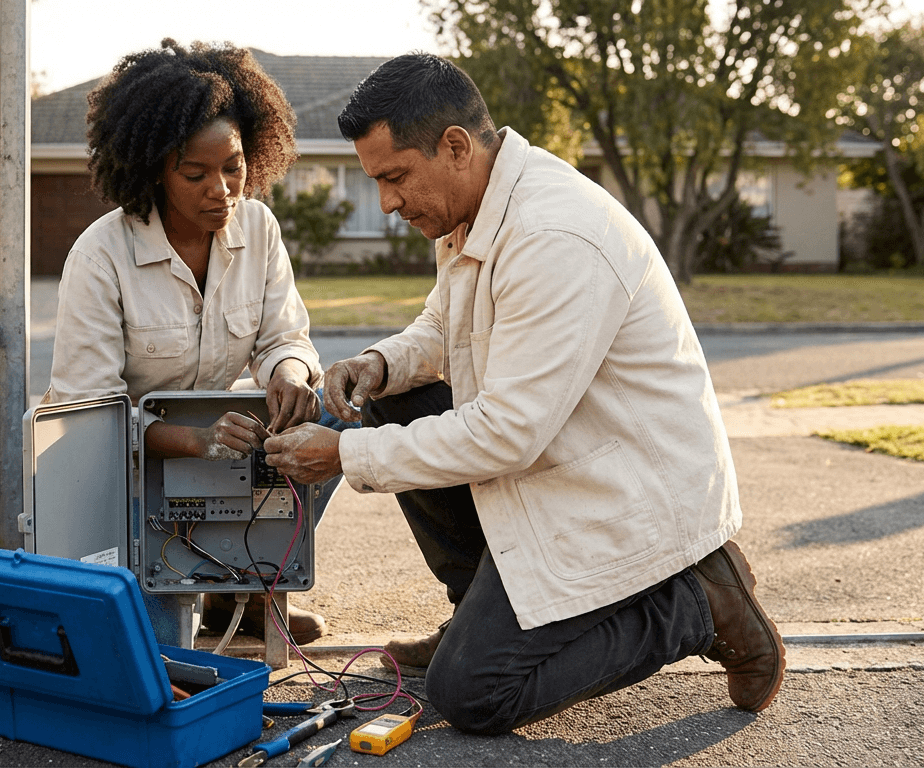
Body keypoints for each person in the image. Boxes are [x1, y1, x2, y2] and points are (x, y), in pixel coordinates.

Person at [263, 53, 786, 732]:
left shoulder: (552, 236)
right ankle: (475, 610)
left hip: (622, 497)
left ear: (455, 146)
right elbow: (447, 327)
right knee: (389, 399)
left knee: (473, 694)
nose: (387, 203)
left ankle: (695, 604)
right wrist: (381, 363)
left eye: (394, 178)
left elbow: (507, 433)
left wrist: (345, 454)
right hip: (560, 465)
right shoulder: (474, 208)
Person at [43, 39, 329, 644]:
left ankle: (250, 592)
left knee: (336, 420)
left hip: (221, 452)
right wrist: (196, 440)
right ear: (153, 170)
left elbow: (285, 335)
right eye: (195, 174)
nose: (221, 190)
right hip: (131, 471)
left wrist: (289, 374)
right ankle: (189, 593)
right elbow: (89, 417)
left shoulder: (259, 226)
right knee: (159, 657)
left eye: (233, 166)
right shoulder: (101, 255)